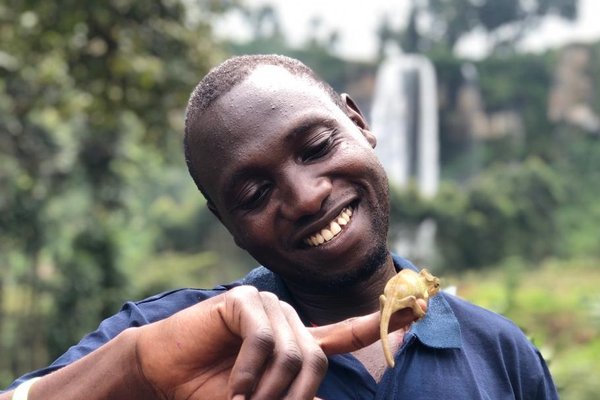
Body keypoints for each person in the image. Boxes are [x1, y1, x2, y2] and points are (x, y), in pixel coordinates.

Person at [1, 54, 558, 400]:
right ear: (228, 224)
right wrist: (137, 372)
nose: (307, 196)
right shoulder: (166, 340)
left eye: (316, 147)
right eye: (255, 194)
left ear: (358, 122)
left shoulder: (501, 353)